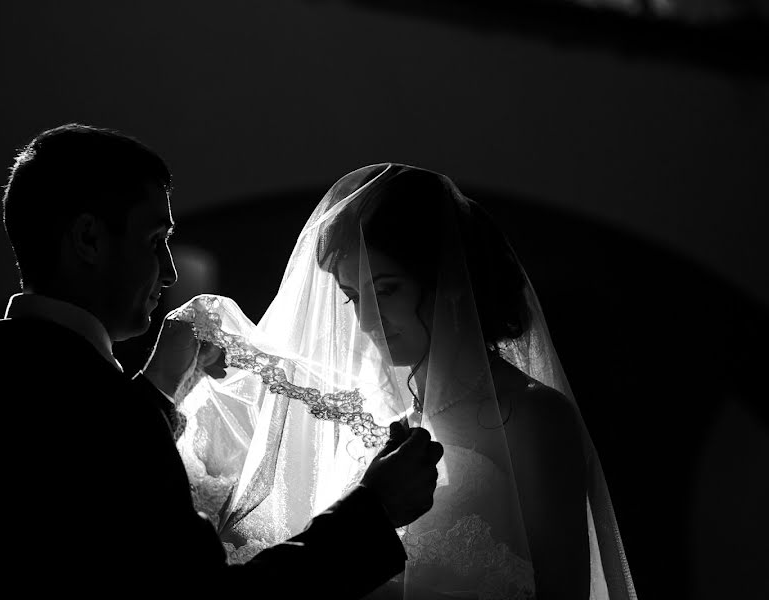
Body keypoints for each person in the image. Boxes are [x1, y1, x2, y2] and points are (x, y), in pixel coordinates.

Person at [0, 126, 443, 598]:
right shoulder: (87, 407)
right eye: (156, 241)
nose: (171, 271)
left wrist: (160, 389)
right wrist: (373, 513)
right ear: (88, 239)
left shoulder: (0, 375)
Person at [168, 164, 637, 599]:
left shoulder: (533, 415)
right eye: (354, 297)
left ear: (448, 280)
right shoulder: (375, 416)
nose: (369, 319)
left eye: (386, 290)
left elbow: (563, 591)